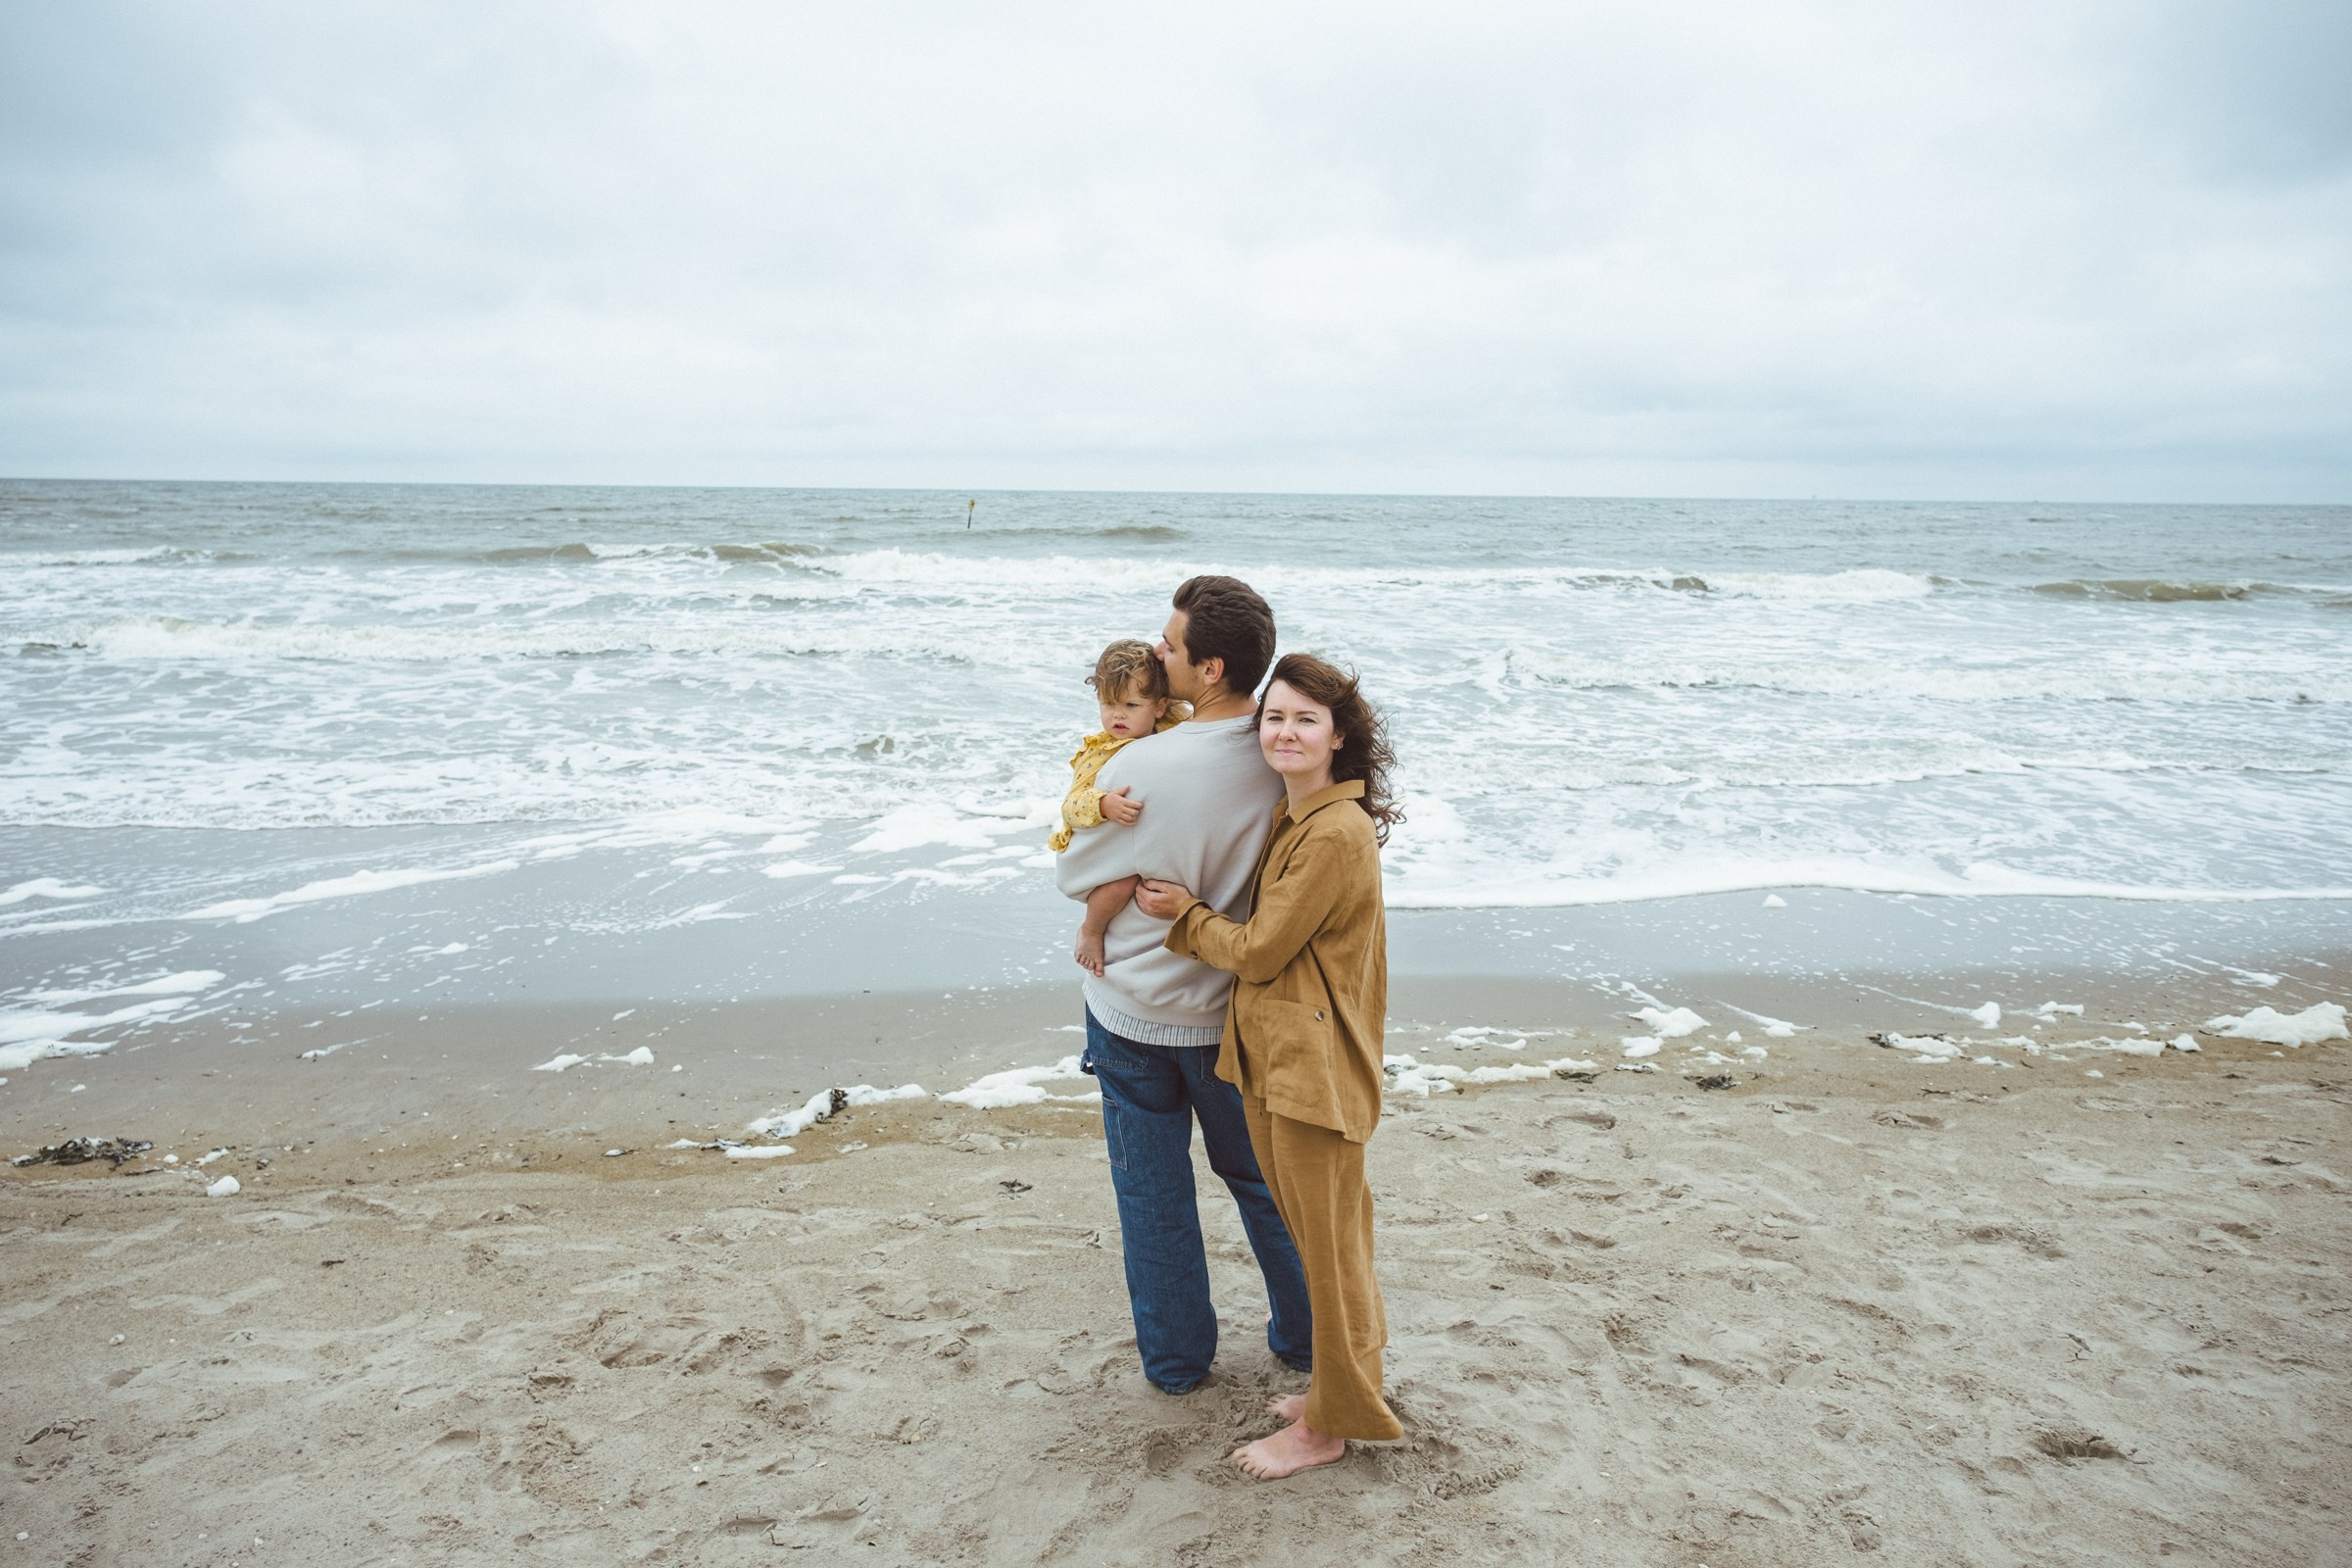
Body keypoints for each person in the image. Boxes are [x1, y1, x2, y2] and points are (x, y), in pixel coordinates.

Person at [1136, 653, 1404, 1479]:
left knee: (1328, 1253)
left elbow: (1257, 953)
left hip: (1314, 1069)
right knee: (1323, 1238)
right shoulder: (1301, 813)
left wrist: (1185, 915)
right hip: (1286, 1058)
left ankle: (1329, 1427)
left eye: (1306, 720)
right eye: (1275, 718)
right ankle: (1335, 1389)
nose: (1285, 732)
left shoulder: (1332, 830)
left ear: (1340, 736)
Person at [1054, 575, 1313, 1396]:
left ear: (1208, 669)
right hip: (1233, 1011)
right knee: (1263, 1186)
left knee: (1153, 1194)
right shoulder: (1283, 758)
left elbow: (1075, 870)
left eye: (1169, 646)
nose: (1156, 653)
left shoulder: (1143, 763)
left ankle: (1175, 1364)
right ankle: (1304, 1340)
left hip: (1133, 1010)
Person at [1050, 638, 1190, 977]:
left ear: (1158, 707)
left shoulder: (1172, 728)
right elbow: (1071, 806)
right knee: (1121, 885)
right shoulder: (1100, 752)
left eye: (1130, 704)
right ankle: (1092, 931)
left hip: (1148, 840)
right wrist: (1103, 803)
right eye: (1108, 703)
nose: (1117, 715)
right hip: (1106, 851)